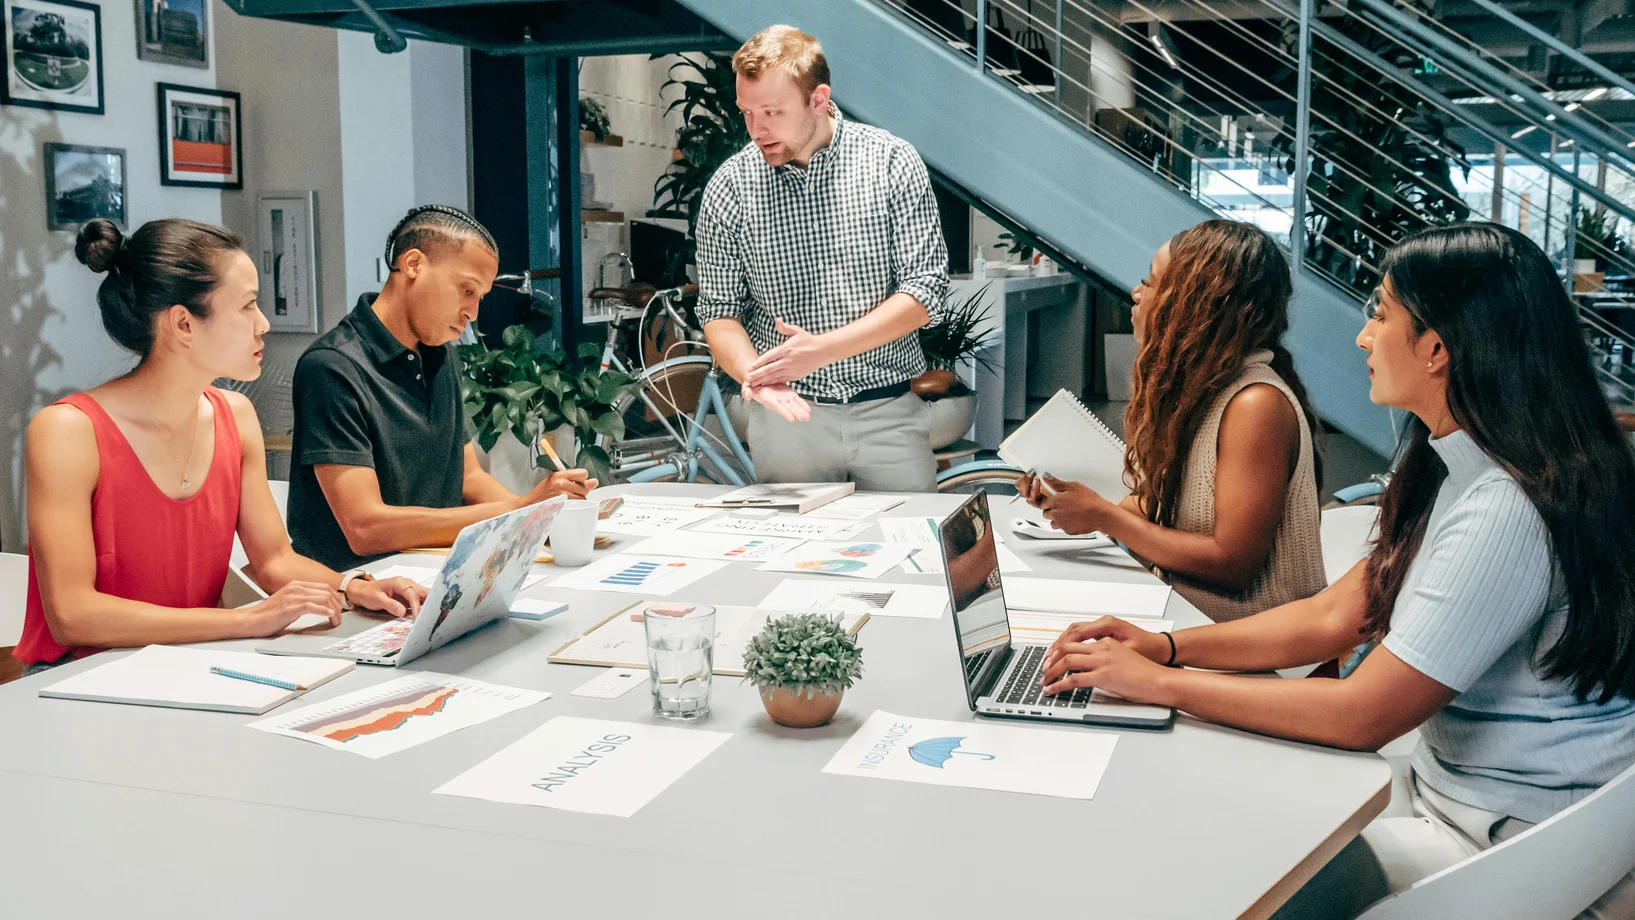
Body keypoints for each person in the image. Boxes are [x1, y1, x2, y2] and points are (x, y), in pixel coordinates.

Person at [1036, 223, 1635, 919]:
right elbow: (1331, 617)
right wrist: (1162, 647)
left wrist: (1160, 684)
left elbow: (1361, 715)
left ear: (1436, 349)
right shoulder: (1457, 469)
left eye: (1379, 314)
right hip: (1470, 802)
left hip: (1521, 849)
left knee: (1208, 869)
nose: (1362, 337)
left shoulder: (1504, 508)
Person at [15, 218, 427, 676]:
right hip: (76, 682)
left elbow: (273, 560)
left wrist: (352, 587)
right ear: (184, 324)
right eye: (248, 306)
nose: (264, 324)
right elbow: (73, 616)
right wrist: (244, 620)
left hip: (196, 667)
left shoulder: (236, 415)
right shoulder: (66, 431)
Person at [1018, 220, 1325, 621]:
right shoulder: (1202, 389)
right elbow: (1156, 504)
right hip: (1197, 624)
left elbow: (1233, 565)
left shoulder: (1255, 405)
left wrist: (1104, 516)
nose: (1136, 293)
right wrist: (1071, 504)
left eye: (1150, 283)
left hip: (1264, 656)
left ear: (1195, 305)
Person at [695, 24, 951, 492]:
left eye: (772, 112)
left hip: (888, 414)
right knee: (793, 562)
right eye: (747, 113)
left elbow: (924, 292)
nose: (757, 131)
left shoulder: (890, 161)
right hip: (787, 421)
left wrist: (822, 350)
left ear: (818, 99)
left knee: (912, 556)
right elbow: (719, 313)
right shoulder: (731, 186)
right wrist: (760, 376)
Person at [286, 205, 595, 572]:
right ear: (414, 264)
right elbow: (364, 528)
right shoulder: (332, 366)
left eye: (480, 296)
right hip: (354, 589)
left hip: (433, 574)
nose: (473, 313)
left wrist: (538, 520)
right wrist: (522, 507)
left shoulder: (439, 356)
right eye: (466, 290)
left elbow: (469, 477)